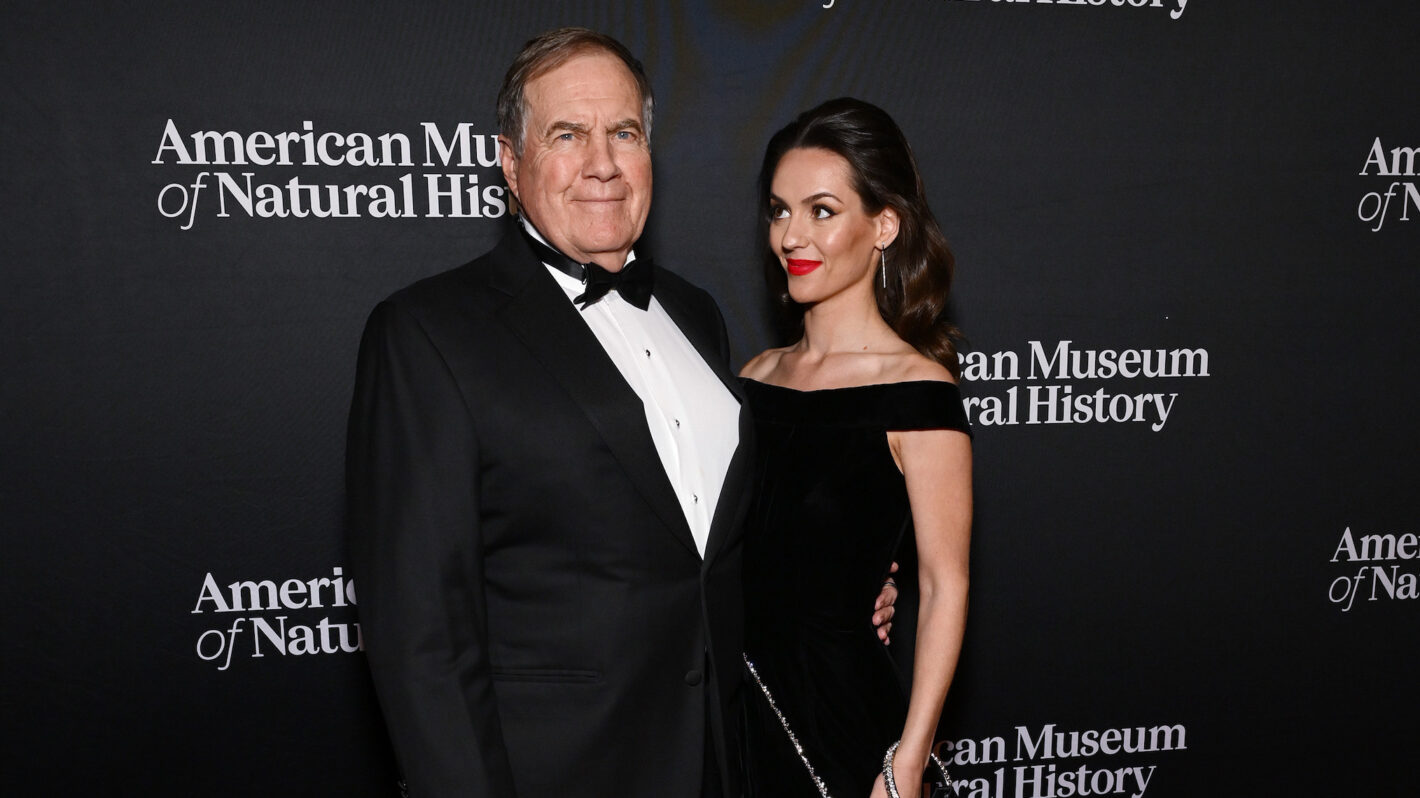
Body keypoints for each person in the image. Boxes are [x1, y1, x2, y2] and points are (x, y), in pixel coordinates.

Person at [345, 30, 894, 798]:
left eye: (624, 133)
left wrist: (834, 583)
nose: (602, 162)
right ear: (510, 161)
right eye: (567, 135)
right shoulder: (428, 332)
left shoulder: (696, 315)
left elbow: (705, 547)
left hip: (727, 763)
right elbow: (419, 637)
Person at [738, 98, 973, 798]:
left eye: (821, 210)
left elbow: (944, 585)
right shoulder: (753, 379)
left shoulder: (919, 394)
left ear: (884, 226)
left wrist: (904, 761)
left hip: (843, 724)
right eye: (779, 210)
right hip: (735, 713)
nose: (792, 236)